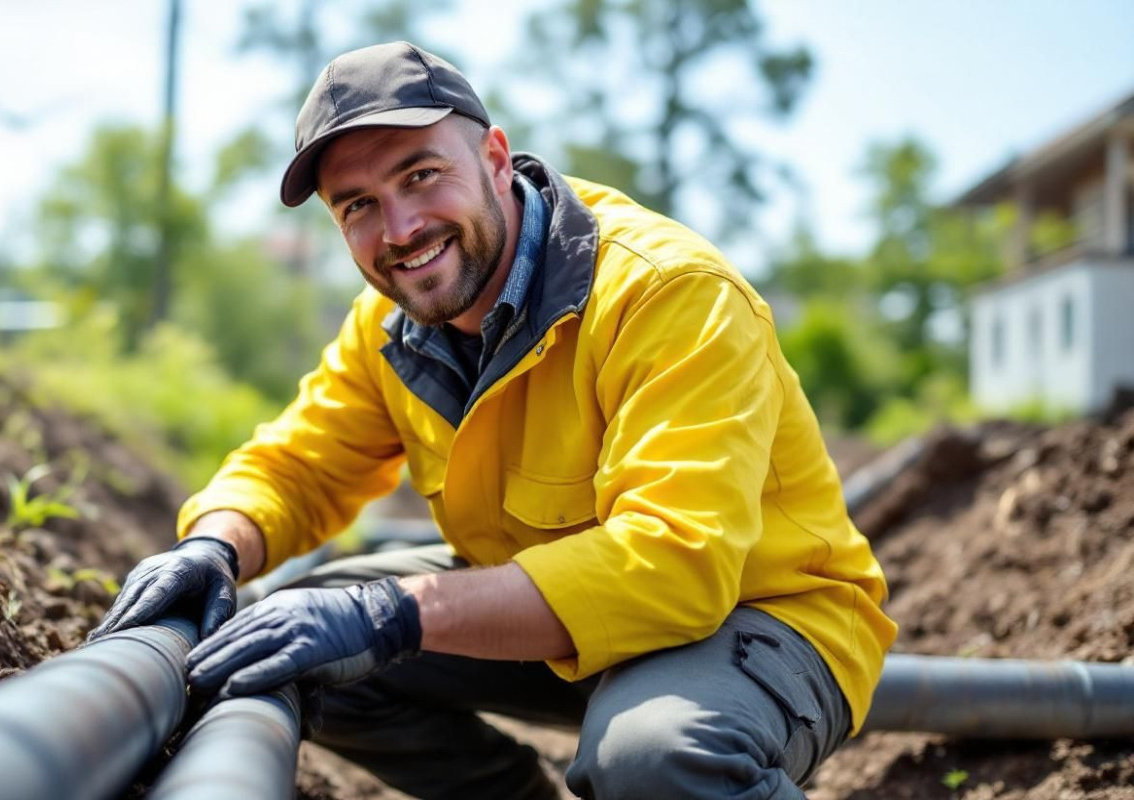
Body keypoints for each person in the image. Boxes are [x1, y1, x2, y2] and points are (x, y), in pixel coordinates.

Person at [90, 41, 896, 799]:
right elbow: (300, 464)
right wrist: (214, 544)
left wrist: (391, 614)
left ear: (496, 159)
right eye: (359, 206)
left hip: (757, 614)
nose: (400, 229)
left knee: (656, 761)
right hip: (555, 604)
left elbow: (677, 566)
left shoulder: (665, 294)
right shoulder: (389, 327)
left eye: (420, 176)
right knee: (288, 643)